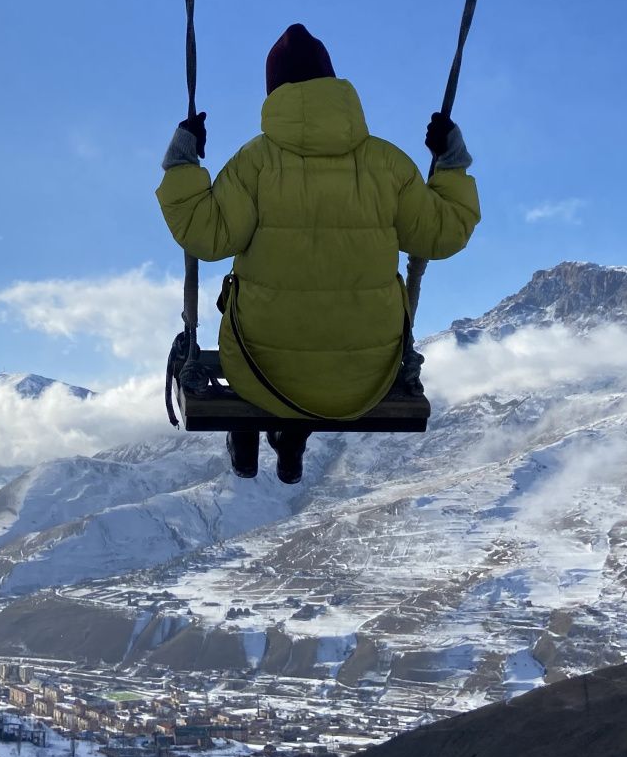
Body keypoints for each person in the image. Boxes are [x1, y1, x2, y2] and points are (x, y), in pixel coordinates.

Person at [157, 24, 480, 485]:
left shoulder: (255, 163)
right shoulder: (387, 164)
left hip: (258, 370)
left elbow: (203, 237)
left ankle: (248, 430)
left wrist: (182, 164)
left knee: (269, 332)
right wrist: (451, 162)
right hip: (367, 376)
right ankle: (292, 437)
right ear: (334, 84)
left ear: (274, 94)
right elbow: (445, 234)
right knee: (326, 346)